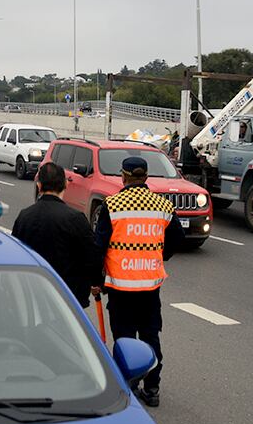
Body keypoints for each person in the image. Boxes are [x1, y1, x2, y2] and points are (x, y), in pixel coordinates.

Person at [94, 155, 185, 407]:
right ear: (146, 177)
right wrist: (159, 255)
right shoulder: (163, 205)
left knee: (124, 338)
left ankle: (128, 385)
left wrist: (95, 279)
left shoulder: (112, 205)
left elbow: (99, 246)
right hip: (149, 286)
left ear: (123, 177)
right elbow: (177, 238)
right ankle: (152, 387)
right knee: (150, 336)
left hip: (120, 286)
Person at [12, 161, 100, 307]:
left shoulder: (24, 216)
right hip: (68, 295)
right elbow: (92, 255)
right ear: (65, 184)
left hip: (34, 291)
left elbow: (16, 253)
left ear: (39, 186)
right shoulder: (75, 218)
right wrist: (96, 282)